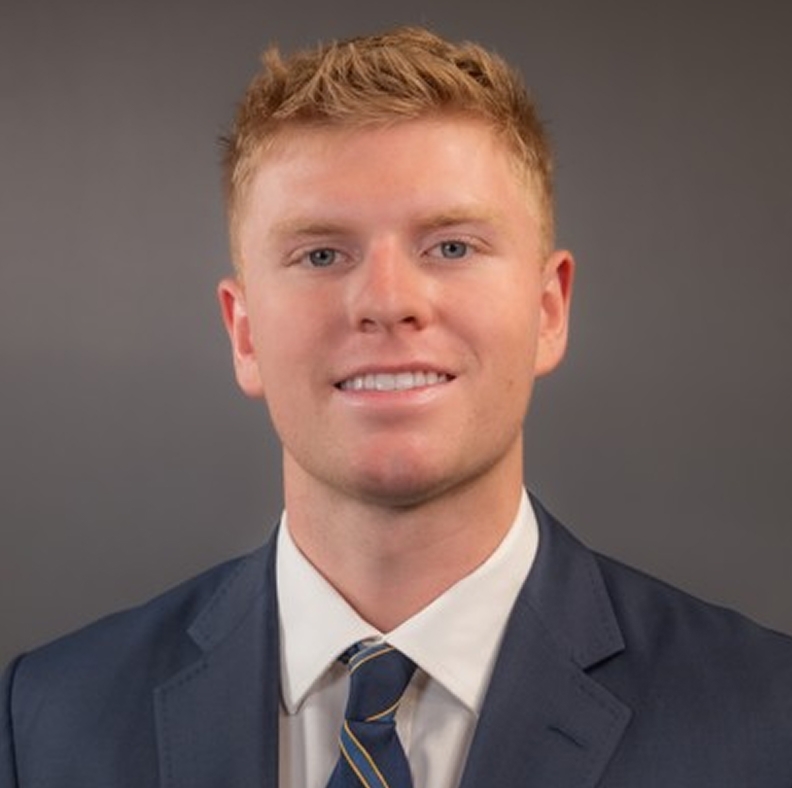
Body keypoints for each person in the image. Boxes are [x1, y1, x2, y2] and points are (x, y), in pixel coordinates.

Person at [2, 26, 791, 788]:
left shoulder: (766, 717)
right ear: (243, 333)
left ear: (549, 310)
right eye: (321, 253)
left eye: (451, 246)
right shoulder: (49, 720)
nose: (386, 302)